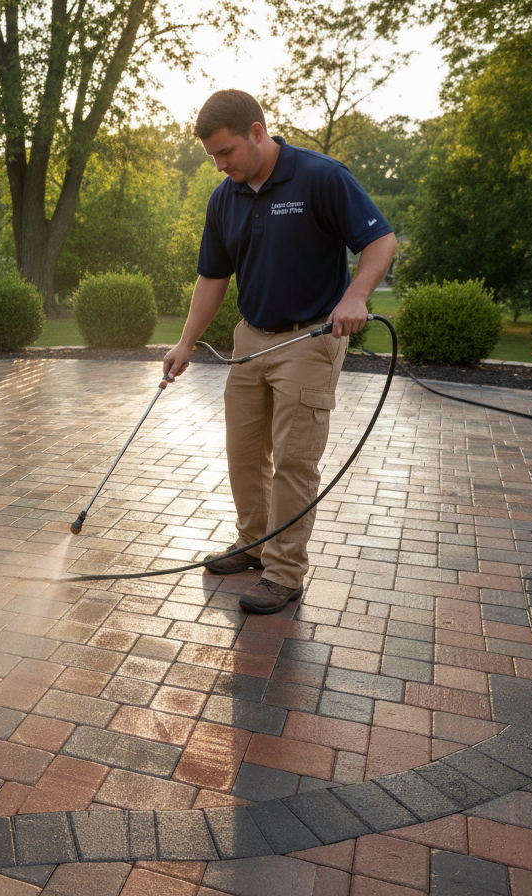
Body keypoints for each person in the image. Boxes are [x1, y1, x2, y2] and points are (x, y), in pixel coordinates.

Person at [163, 89, 397, 615]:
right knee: (245, 453)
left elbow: (380, 240)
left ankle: (285, 571)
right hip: (251, 337)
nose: (221, 166)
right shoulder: (226, 196)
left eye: (227, 153)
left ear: (257, 132)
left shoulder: (319, 176)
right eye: (213, 158)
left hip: (310, 339)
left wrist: (356, 295)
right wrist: (185, 342)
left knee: (294, 460)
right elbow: (212, 277)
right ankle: (252, 545)